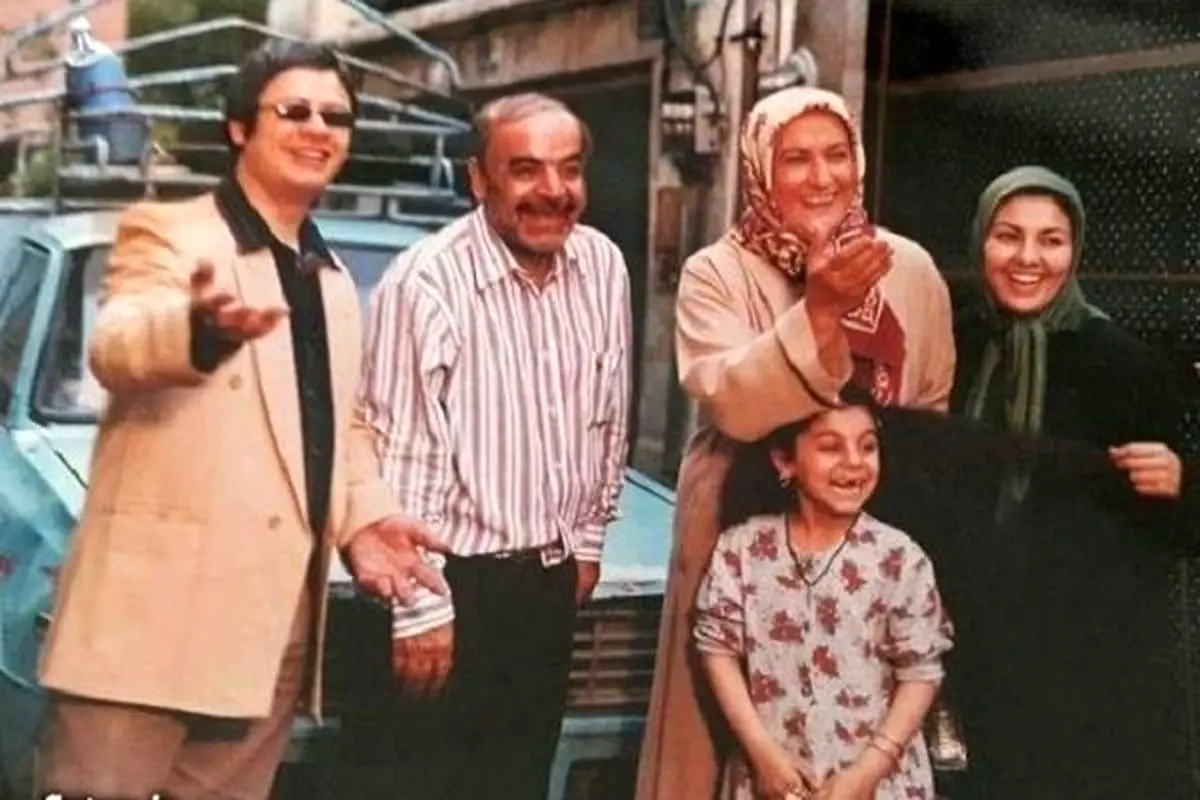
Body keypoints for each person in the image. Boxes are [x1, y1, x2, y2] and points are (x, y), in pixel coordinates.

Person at [35, 40, 447, 800]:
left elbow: (337, 429)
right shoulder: (171, 235)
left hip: (269, 634)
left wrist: (364, 519)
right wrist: (194, 334)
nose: (318, 129)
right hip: (149, 631)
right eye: (294, 110)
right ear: (239, 128)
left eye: (336, 117)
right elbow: (118, 342)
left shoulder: (331, 282)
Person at [636, 86, 956, 800]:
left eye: (836, 156)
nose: (821, 178)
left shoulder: (909, 268)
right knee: (721, 739)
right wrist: (819, 311)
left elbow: (929, 416)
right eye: (796, 159)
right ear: (760, 170)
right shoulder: (716, 272)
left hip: (873, 537)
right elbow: (733, 402)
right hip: (737, 524)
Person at [875, 165, 1200, 798]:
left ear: (1076, 250)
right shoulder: (952, 346)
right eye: (1008, 235)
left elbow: (1174, 535)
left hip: (1089, 662)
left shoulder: (1125, 364)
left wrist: (1183, 481)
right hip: (972, 646)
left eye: (1051, 240)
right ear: (981, 241)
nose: (1028, 258)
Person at [352, 92, 632, 800]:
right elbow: (403, 460)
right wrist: (422, 610)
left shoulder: (602, 265)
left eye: (570, 169)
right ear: (479, 179)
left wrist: (587, 543)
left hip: (546, 589)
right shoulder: (426, 281)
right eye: (526, 170)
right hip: (452, 587)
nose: (554, 191)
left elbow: (607, 416)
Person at [697, 401, 952, 800]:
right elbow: (717, 650)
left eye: (867, 446)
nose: (854, 462)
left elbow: (921, 673)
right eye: (831, 447)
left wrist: (867, 774)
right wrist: (763, 756)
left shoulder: (899, 558)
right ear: (785, 462)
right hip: (774, 779)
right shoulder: (743, 548)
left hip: (875, 783)